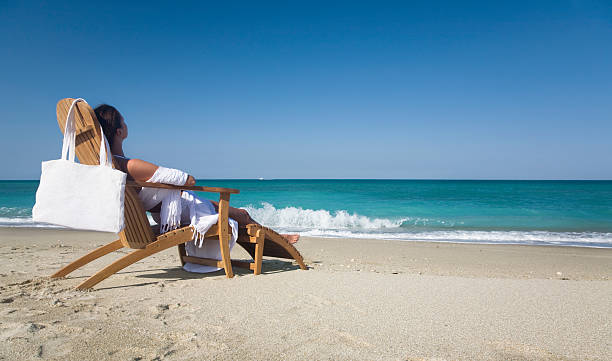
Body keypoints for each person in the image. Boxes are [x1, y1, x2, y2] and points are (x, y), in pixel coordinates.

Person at [93, 104, 299, 244]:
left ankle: (277, 237)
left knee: (236, 217)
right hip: (180, 212)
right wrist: (179, 181)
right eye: (124, 121)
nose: (127, 125)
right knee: (242, 214)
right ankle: (280, 239)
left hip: (166, 213)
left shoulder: (110, 167)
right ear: (119, 132)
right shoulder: (131, 165)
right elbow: (188, 180)